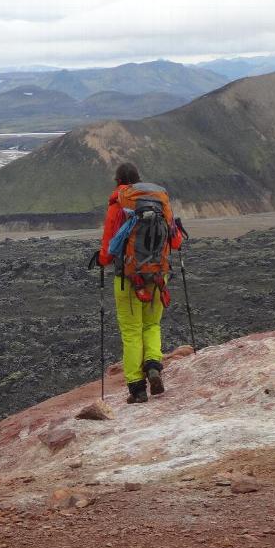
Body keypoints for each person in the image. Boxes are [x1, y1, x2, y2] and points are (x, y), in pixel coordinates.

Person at [96, 162, 183, 403]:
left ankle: (137, 389)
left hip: (129, 280)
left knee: (132, 332)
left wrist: (102, 260)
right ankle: (153, 365)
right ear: (137, 180)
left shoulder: (118, 206)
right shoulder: (159, 202)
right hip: (158, 276)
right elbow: (175, 243)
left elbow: (107, 250)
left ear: (118, 182)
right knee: (152, 326)